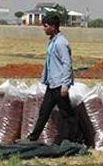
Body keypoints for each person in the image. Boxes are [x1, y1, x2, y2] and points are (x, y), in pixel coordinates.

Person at [18, 13, 77, 144]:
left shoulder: (61, 43)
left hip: (59, 84)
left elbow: (67, 63)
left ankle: (76, 139)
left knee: (67, 114)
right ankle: (32, 138)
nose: (43, 28)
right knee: (44, 112)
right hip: (52, 84)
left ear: (53, 26)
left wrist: (65, 85)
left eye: (45, 26)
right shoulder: (53, 41)